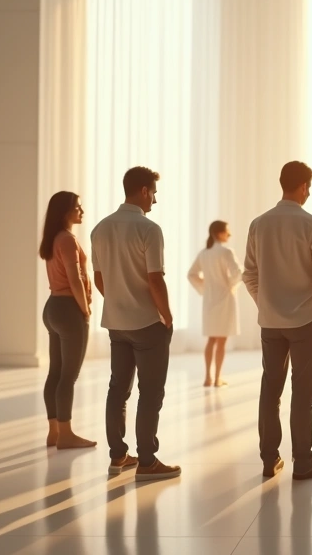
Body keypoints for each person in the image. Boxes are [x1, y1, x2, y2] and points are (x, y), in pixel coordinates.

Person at [243, 161, 312, 480]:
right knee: (303, 391)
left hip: (270, 321)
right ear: (302, 187)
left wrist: (264, 302)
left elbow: (250, 274)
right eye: (308, 187)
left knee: (271, 388)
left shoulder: (259, 224)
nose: (308, 192)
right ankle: (304, 461)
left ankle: (269, 458)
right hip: (306, 319)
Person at [92, 166, 179, 481]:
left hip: (116, 323)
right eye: (154, 192)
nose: (155, 199)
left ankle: (118, 456)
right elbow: (155, 280)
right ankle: (147, 461)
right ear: (143, 190)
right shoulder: (149, 229)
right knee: (151, 392)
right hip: (146, 323)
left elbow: (100, 279)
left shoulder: (100, 229)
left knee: (118, 389)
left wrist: (118, 301)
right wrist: (166, 316)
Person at [39, 191, 96, 450]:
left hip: (52, 308)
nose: (82, 212)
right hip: (68, 310)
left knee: (56, 373)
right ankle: (66, 434)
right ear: (65, 212)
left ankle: (54, 432)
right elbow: (75, 279)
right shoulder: (68, 240)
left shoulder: (53, 238)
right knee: (68, 377)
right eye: (78, 208)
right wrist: (84, 309)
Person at [188, 220, 243, 387]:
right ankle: (218, 377)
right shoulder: (226, 251)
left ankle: (207, 378)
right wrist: (230, 284)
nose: (229, 235)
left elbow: (191, 274)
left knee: (211, 339)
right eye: (227, 231)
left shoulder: (204, 253)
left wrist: (206, 285)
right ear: (218, 233)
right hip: (225, 299)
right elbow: (238, 272)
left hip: (210, 299)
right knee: (221, 341)